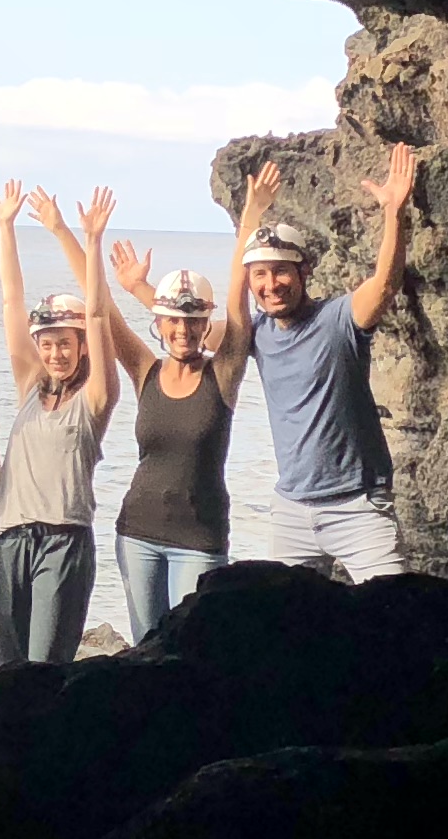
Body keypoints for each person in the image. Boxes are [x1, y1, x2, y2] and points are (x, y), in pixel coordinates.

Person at [231, 144, 418, 580]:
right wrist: (250, 215)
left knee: (393, 616)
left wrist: (394, 213)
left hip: (358, 506)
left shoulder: (338, 320)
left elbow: (385, 286)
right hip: (291, 510)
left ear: (304, 272)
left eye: (282, 272)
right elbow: (208, 316)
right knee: (289, 632)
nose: (271, 284)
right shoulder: (257, 333)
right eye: (260, 274)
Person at [0, 182, 121, 670]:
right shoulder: (28, 387)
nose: (55, 354)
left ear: (81, 346)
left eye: (66, 343)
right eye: (48, 344)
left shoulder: (95, 398)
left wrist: (93, 241)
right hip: (6, 540)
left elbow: (100, 314)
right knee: (8, 673)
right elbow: (10, 302)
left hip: (63, 540)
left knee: (44, 671)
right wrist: (5, 226)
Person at [98, 235, 246, 636]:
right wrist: (80, 238)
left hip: (200, 539)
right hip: (137, 534)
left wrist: (249, 219)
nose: (184, 330)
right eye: (174, 321)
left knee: (191, 651)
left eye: (195, 321)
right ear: (159, 323)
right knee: (144, 652)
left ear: (206, 324)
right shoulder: (145, 370)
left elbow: (238, 305)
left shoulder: (223, 373)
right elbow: (102, 311)